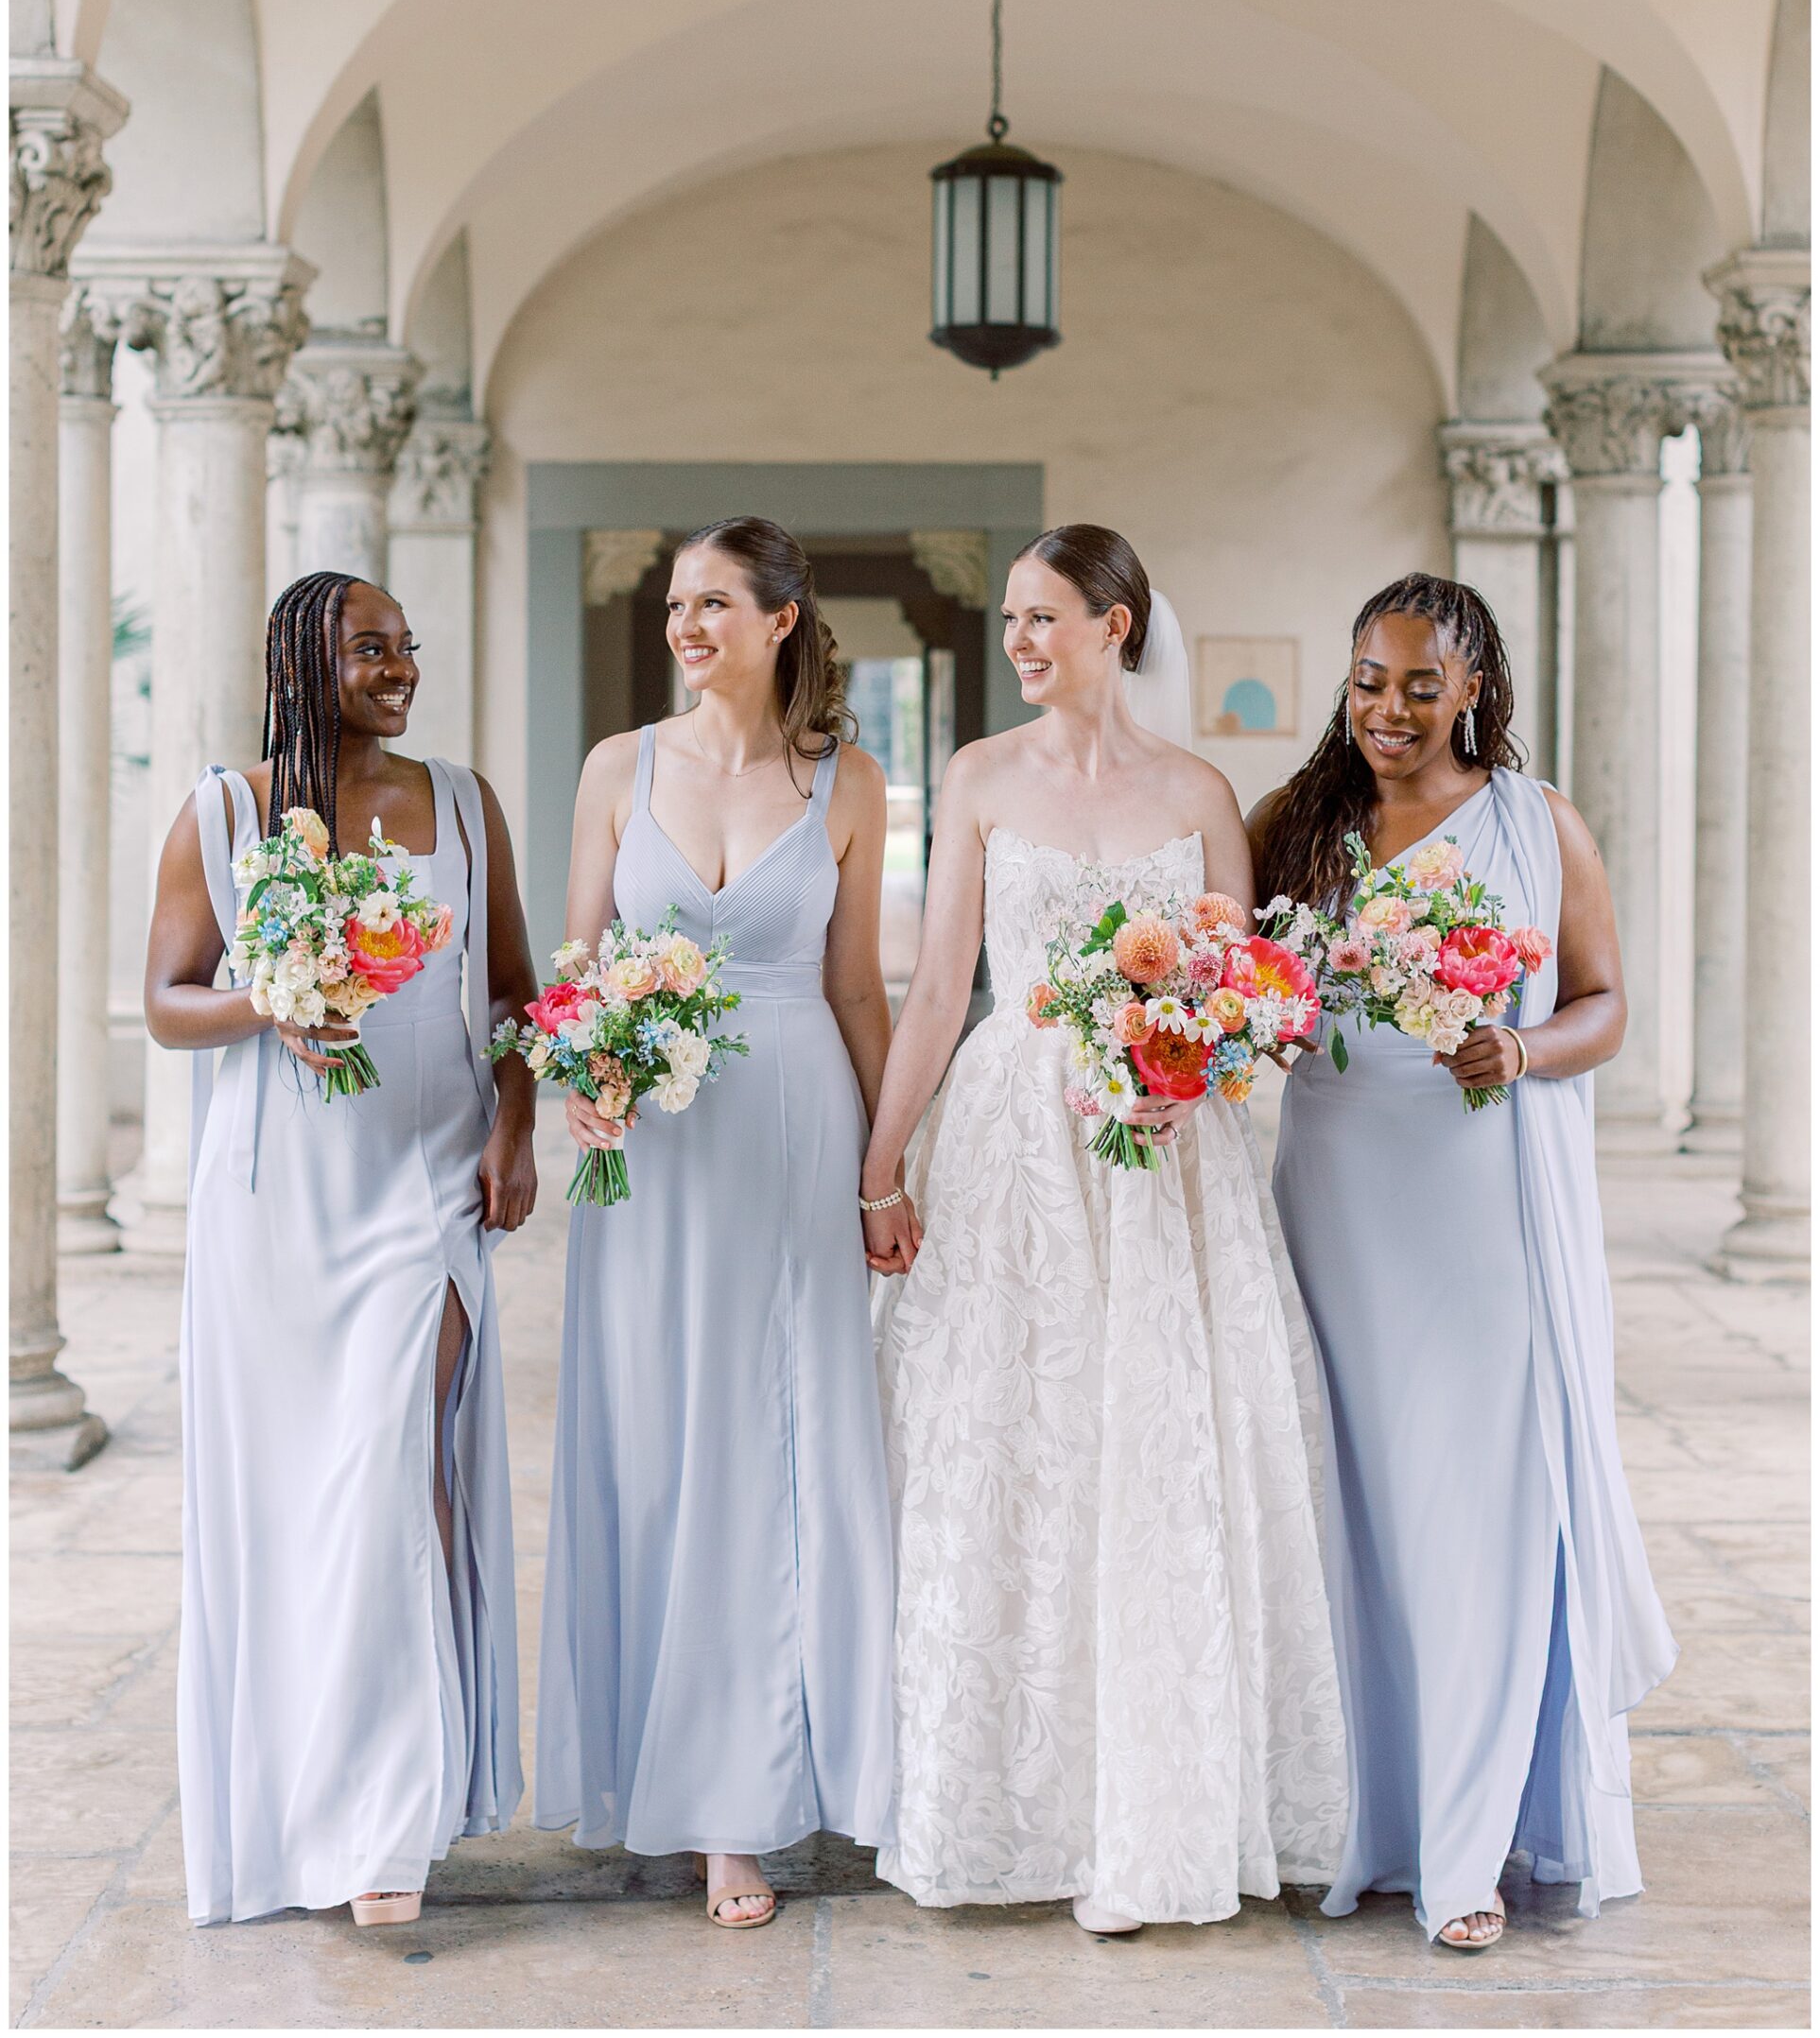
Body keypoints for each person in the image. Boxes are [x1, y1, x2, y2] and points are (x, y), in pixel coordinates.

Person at [865, 524, 1347, 1934]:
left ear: (1115, 625)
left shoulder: (1200, 791)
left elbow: (1245, 996)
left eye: (1041, 616)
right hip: (1013, 1141)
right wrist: (881, 1166)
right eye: (1010, 618)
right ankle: (1011, 1800)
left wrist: (1178, 1063)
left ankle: (1163, 1805)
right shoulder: (972, 779)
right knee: (1014, 1451)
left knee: (1153, 1447)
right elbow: (940, 984)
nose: (1017, 639)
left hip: (1160, 1149)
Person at [1251, 571, 1676, 1952]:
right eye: (1367, 682)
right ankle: (1366, 1817)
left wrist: (1523, 1047)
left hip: (1481, 1200)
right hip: (1335, 1190)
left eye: (1418, 686)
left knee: (1480, 1511)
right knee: (1357, 1509)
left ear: (1474, 685)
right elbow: (1234, 981)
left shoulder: (1537, 826)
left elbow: (1605, 1005)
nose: (1386, 709)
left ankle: (1469, 1845)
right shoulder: (1298, 824)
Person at [146, 571, 538, 1927]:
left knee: (392, 1481)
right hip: (274, 1208)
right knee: (297, 1506)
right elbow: (166, 1000)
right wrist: (267, 999)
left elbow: (507, 990)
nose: (399, 667)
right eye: (371, 648)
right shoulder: (226, 813)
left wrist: (517, 1131)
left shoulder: (464, 805)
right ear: (301, 658)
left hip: (423, 1190)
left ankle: (389, 1832)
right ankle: (305, 1805)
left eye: (406, 648)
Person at [536, 517, 896, 1930]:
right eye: (677, 603)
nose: (686, 624)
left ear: (782, 619)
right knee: (665, 1440)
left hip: (796, 1134)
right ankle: (666, 1776)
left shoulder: (848, 782)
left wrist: (882, 1167)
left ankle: (750, 1800)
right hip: (657, 1148)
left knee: (780, 1446)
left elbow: (859, 990)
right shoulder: (617, 768)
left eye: (714, 603)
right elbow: (576, 969)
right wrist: (582, 1080)